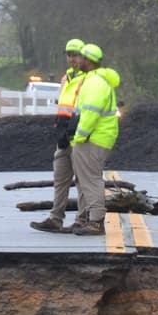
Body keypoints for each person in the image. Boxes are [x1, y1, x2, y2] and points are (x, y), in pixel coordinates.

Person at [30, 38, 87, 233]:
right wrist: (60, 129)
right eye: (69, 54)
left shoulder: (89, 78)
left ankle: (82, 219)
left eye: (75, 54)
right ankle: (56, 218)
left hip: (80, 135)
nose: (72, 59)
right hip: (65, 134)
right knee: (61, 178)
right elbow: (63, 107)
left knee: (82, 179)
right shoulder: (66, 79)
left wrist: (75, 130)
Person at [65, 42, 121, 236]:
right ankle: (85, 220)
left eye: (80, 57)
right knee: (85, 179)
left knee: (91, 180)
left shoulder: (95, 82)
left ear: (87, 60)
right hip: (95, 137)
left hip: (93, 139)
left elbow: (90, 114)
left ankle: (96, 221)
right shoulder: (92, 79)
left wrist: (78, 137)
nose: (76, 60)